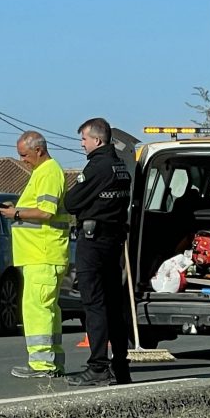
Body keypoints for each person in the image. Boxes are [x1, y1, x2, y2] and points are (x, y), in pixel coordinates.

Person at [64, 117, 133, 386]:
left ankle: (97, 366)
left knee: (94, 305)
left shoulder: (97, 167)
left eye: (84, 139)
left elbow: (72, 201)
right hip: (113, 242)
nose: (82, 144)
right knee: (115, 306)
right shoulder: (121, 168)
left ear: (97, 140)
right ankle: (120, 366)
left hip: (93, 241)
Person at [0, 131, 71, 378]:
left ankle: (41, 364)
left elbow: (45, 212)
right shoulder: (44, 172)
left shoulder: (49, 172)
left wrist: (15, 214)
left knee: (36, 310)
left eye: (24, 155)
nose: (22, 160)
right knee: (48, 310)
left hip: (43, 254)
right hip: (42, 254)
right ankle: (53, 362)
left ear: (38, 150)